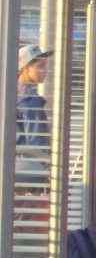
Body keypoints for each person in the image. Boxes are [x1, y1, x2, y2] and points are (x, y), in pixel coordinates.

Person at [16, 44, 53, 189]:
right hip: (28, 170)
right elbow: (37, 141)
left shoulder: (11, 93)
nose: (45, 70)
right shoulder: (30, 99)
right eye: (40, 66)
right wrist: (47, 167)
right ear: (25, 68)